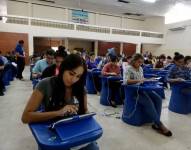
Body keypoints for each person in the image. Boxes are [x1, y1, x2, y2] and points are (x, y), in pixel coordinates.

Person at [22, 54, 99, 150]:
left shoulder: (80, 88)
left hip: (75, 131)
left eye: (78, 76)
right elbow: (25, 117)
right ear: (63, 68)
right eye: (71, 73)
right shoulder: (45, 84)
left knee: (93, 148)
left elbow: (85, 111)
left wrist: (86, 118)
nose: (73, 79)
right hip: (53, 131)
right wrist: (59, 112)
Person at [123, 53, 172, 137]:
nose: (140, 64)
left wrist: (149, 80)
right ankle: (159, 124)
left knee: (158, 99)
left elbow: (142, 79)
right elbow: (126, 81)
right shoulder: (128, 68)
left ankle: (156, 121)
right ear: (134, 61)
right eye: (138, 62)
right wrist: (140, 80)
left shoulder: (141, 68)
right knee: (148, 102)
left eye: (141, 62)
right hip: (133, 92)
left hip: (141, 89)